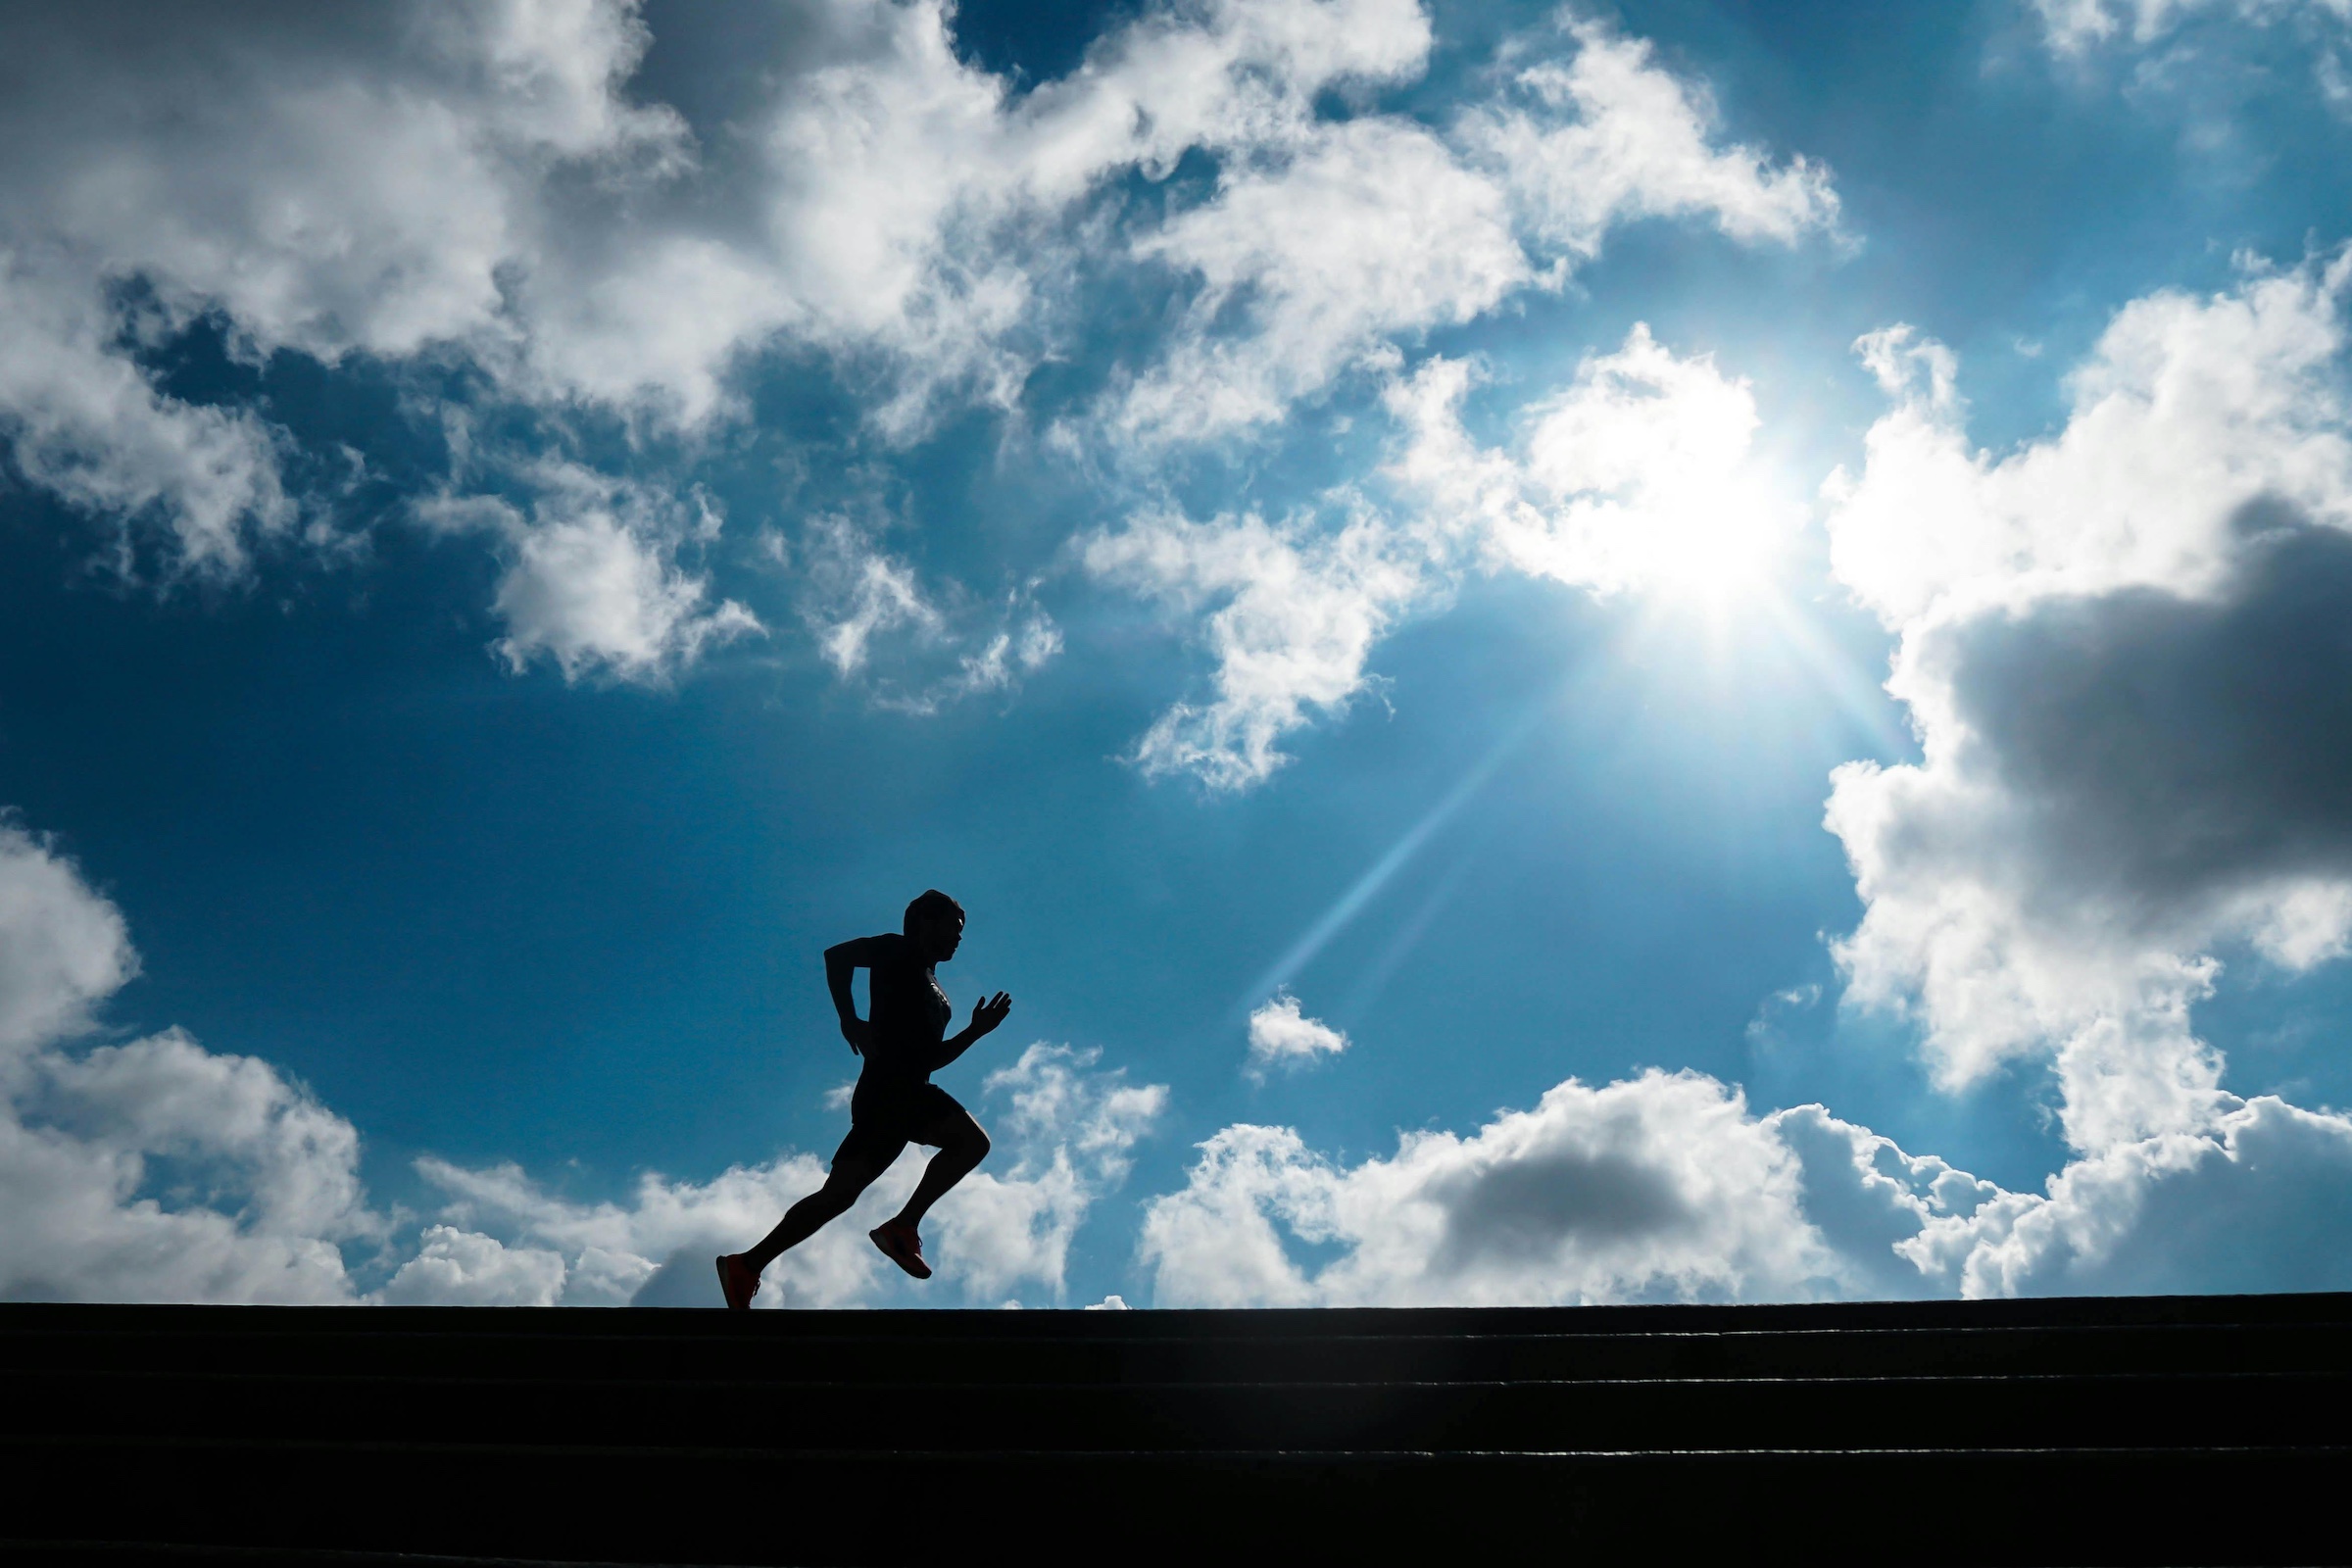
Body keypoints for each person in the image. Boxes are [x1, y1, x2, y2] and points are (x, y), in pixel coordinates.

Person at [716, 890, 1011, 1308]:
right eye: (953, 928)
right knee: (971, 1142)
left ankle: (747, 1264)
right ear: (925, 923)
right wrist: (849, 1018)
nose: (959, 938)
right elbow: (837, 956)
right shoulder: (898, 950)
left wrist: (974, 1032)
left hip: (899, 1091)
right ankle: (902, 1228)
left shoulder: (936, 989)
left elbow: (931, 1059)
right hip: (891, 1088)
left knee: (839, 1194)